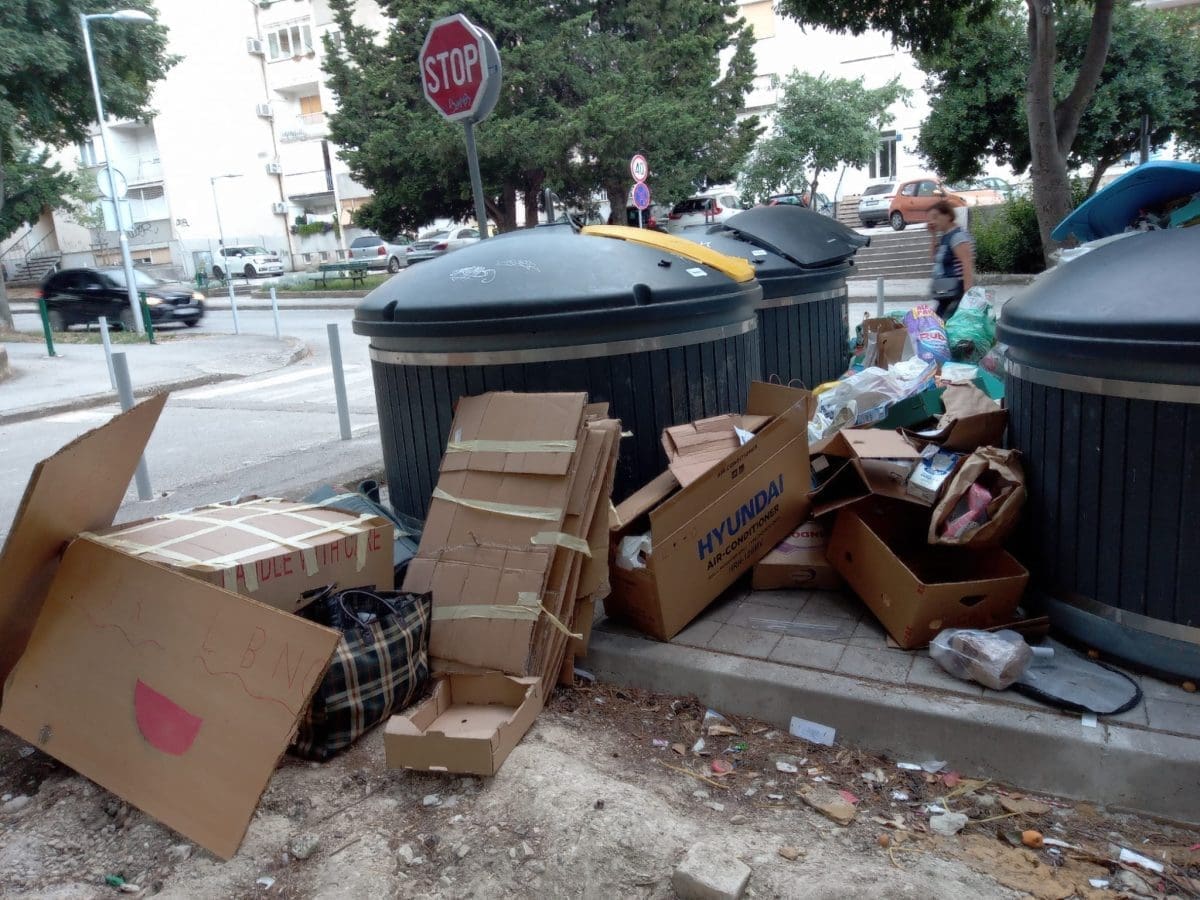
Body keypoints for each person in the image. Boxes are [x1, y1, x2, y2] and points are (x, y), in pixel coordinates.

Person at [927, 199, 975, 320]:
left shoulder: (958, 236)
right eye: (930, 219)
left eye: (935, 217)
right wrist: (933, 235)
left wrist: (967, 294)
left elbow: (967, 263)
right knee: (938, 323)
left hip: (955, 292)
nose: (932, 221)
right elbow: (934, 259)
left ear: (948, 216)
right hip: (946, 292)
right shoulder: (945, 236)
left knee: (944, 324)